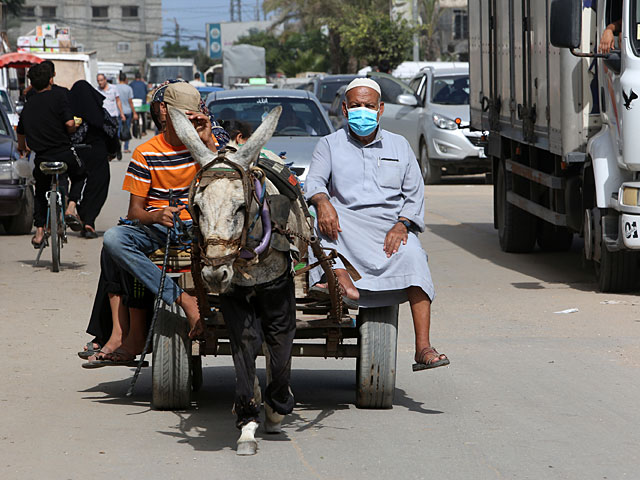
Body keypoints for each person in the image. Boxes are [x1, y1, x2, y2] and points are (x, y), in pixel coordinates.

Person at [305, 78, 450, 371]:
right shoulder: (329, 144)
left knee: (415, 260)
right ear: (344, 110)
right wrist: (322, 202)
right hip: (343, 226)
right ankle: (338, 279)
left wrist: (402, 224)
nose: (362, 111)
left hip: (388, 230)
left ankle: (423, 347)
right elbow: (315, 182)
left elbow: (414, 193)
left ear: (380, 108)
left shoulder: (400, 145)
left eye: (368, 106)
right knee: (315, 227)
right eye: (356, 106)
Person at [83, 82, 213, 366]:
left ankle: (127, 336)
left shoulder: (206, 146)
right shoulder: (146, 152)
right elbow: (135, 212)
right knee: (115, 240)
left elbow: (224, 187)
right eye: (182, 117)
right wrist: (156, 216)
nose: (187, 125)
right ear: (164, 112)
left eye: (192, 118)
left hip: (205, 230)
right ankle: (181, 300)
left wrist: (208, 140)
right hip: (159, 229)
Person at [16, 63, 86, 247]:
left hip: (42, 158)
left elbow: (21, 133)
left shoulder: (28, 105)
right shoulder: (59, 96)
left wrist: (22, 147)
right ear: (50, 80)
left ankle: (39, 232)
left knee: (40, 191)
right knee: (80, 174)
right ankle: (71, 207)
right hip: (63, 153)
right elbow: (70, 123)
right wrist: (73, 127)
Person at [69, 80, 118, 238]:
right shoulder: (100, 112)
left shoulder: (68, 114)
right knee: (98, 186)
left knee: (78, 180)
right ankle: (88, 220)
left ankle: (78, 213)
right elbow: (111, 132)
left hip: (75, 153)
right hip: (97, 152)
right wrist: (112, 151)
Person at [97, 73, 125, 160]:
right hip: (103, 116)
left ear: (105, 80)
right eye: (98, 81)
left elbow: (118, 101)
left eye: (101, 80)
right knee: (105, 135)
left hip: (113, 115)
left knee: (115, 134)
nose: (100, 83)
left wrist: (122, 113)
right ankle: (108, 152)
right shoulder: (97, 90)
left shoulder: (113, 88)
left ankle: (118, 149)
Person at [115, 72, 138, 153]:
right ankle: (126, 147)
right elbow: (130, 102)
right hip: (127, 111)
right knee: (127, 129)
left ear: (118, 79)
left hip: (118, 111)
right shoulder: (128, 88)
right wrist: (134, 112)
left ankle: (117, 147)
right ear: (125, 79)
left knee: (118, 129)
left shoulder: (115, 88)